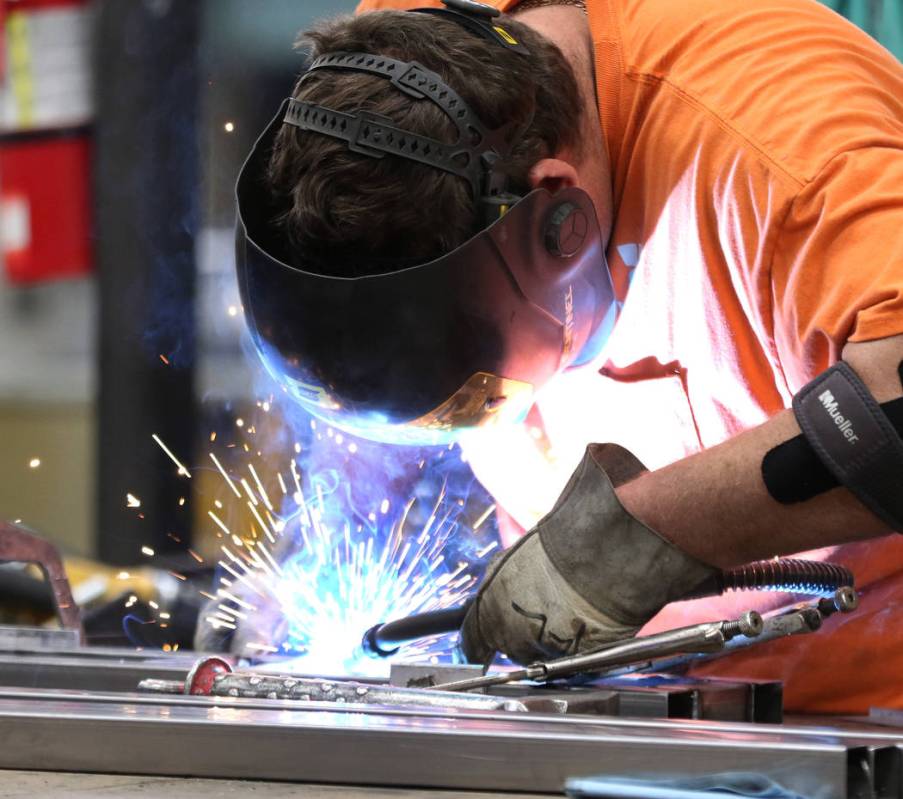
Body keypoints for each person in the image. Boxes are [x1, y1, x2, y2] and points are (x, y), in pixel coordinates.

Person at [228, 0, 903, 712]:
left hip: (863, 707)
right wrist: (319, 553)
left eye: (483, 387)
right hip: (621, 705)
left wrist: (630, 538)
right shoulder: (398, 71)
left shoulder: (788, 143)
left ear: (559, 216)